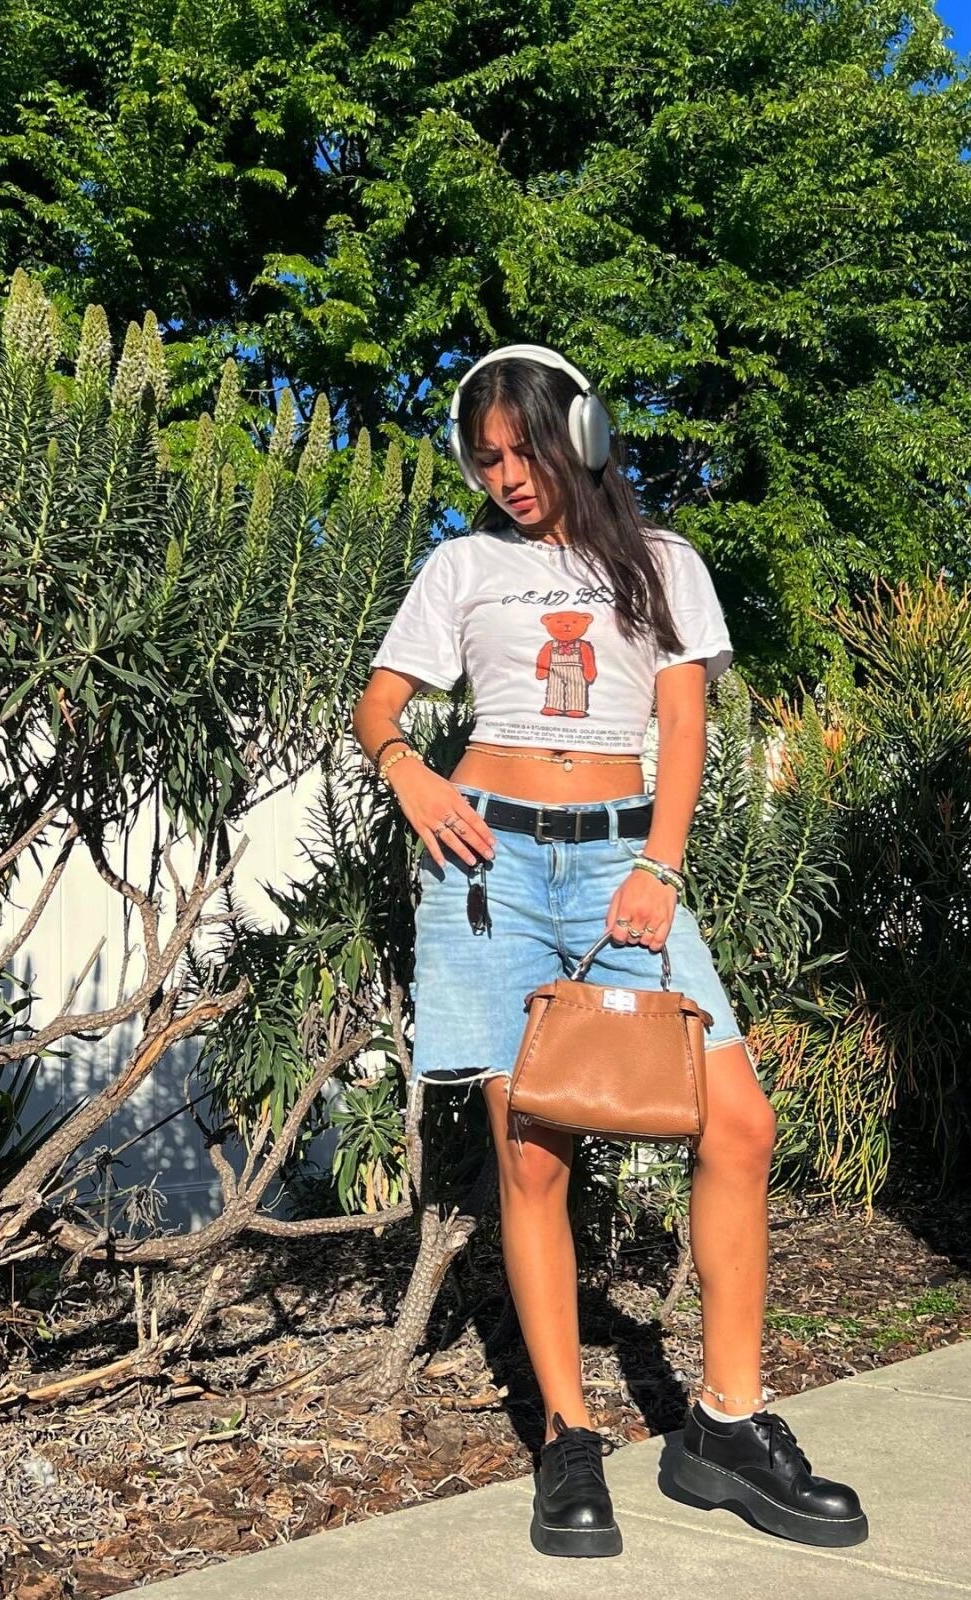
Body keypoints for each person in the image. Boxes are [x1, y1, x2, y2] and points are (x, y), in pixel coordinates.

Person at [350, 343, 867, 1557]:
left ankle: (723, 1425)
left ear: (577, 435)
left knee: (737, 1121)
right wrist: (407, 771)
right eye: (485, 457)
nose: (506, 474)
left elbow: (681, 723)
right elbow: (378, 702)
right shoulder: (461, 565)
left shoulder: (663, 562)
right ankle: (567, 1437)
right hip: (486, 868)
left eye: (524, 447)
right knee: (532, 1152)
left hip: (624, 870)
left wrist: (658, 865)